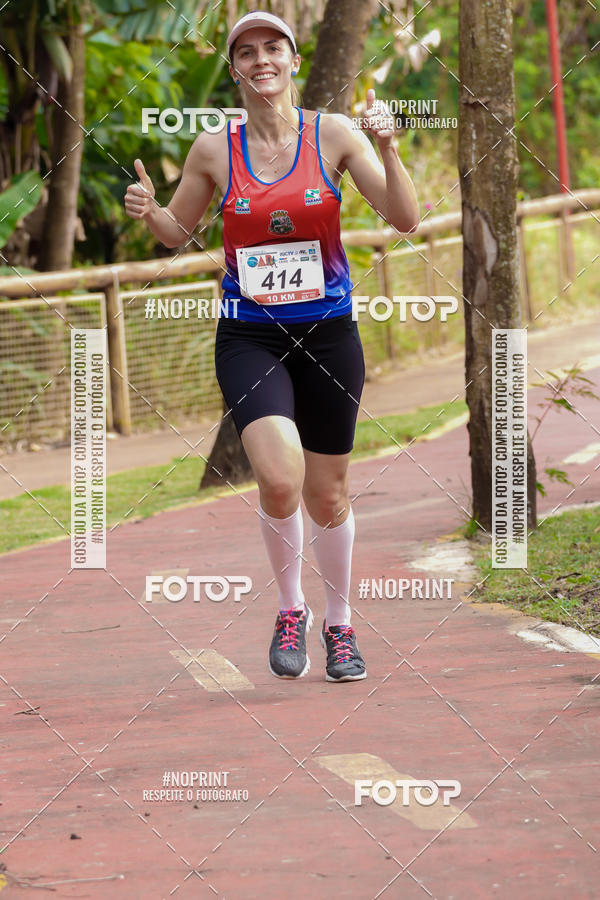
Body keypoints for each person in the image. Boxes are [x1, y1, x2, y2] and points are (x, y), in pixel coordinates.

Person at [124, 10, 419, 682]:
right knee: (281, 479)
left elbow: (404, 218)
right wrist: (151, 213)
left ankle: (340, 625)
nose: (262, 61)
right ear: (234, 69)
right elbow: (179, 230)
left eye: (273, 49)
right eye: (247, 52)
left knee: (329, 494)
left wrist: (393, 148)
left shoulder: (334, 135)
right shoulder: (212, 149)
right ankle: (293, 609)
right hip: (250, 337)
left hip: (328, 336)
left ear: (291, 59)